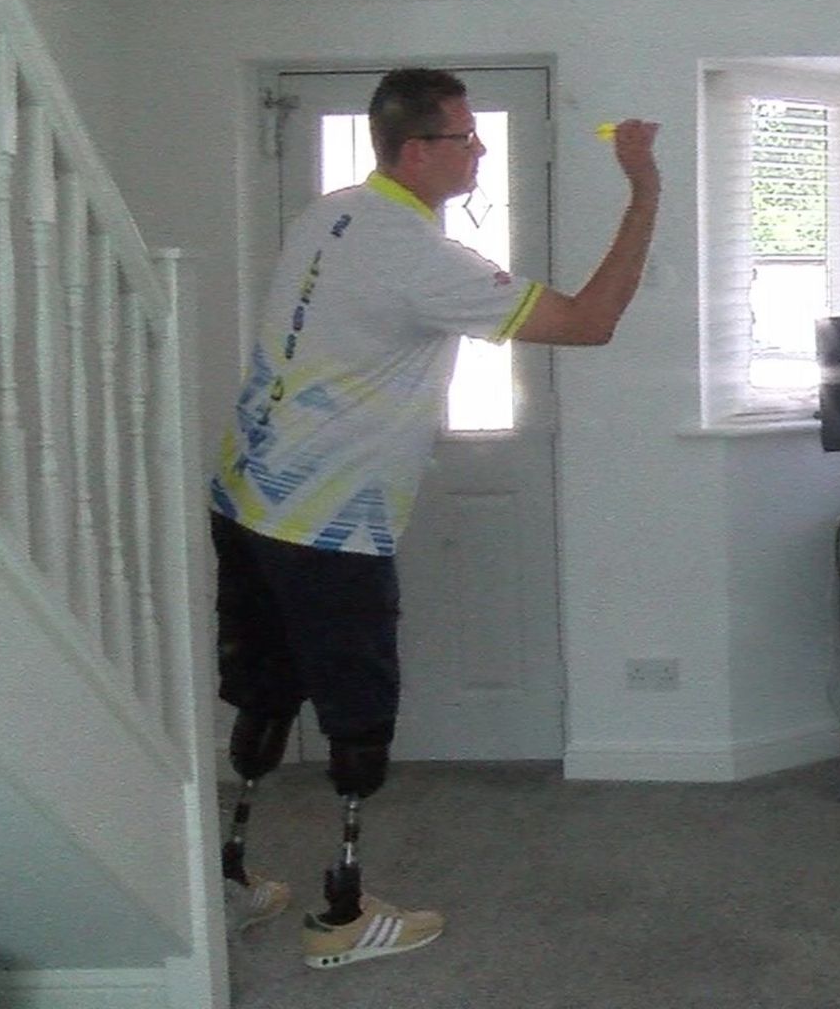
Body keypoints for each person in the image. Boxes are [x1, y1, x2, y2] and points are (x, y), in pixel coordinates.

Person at [208, 67, 660, 969]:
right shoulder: (421, 258)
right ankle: (341, 916)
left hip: (246, 496)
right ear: (417, 152)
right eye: (465, 136)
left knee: (264, 684)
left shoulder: (332, 210)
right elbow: (591, 322)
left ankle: (229, 880)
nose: (481, 148)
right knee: (357, 710)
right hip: (331, 526)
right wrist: (643, 187)